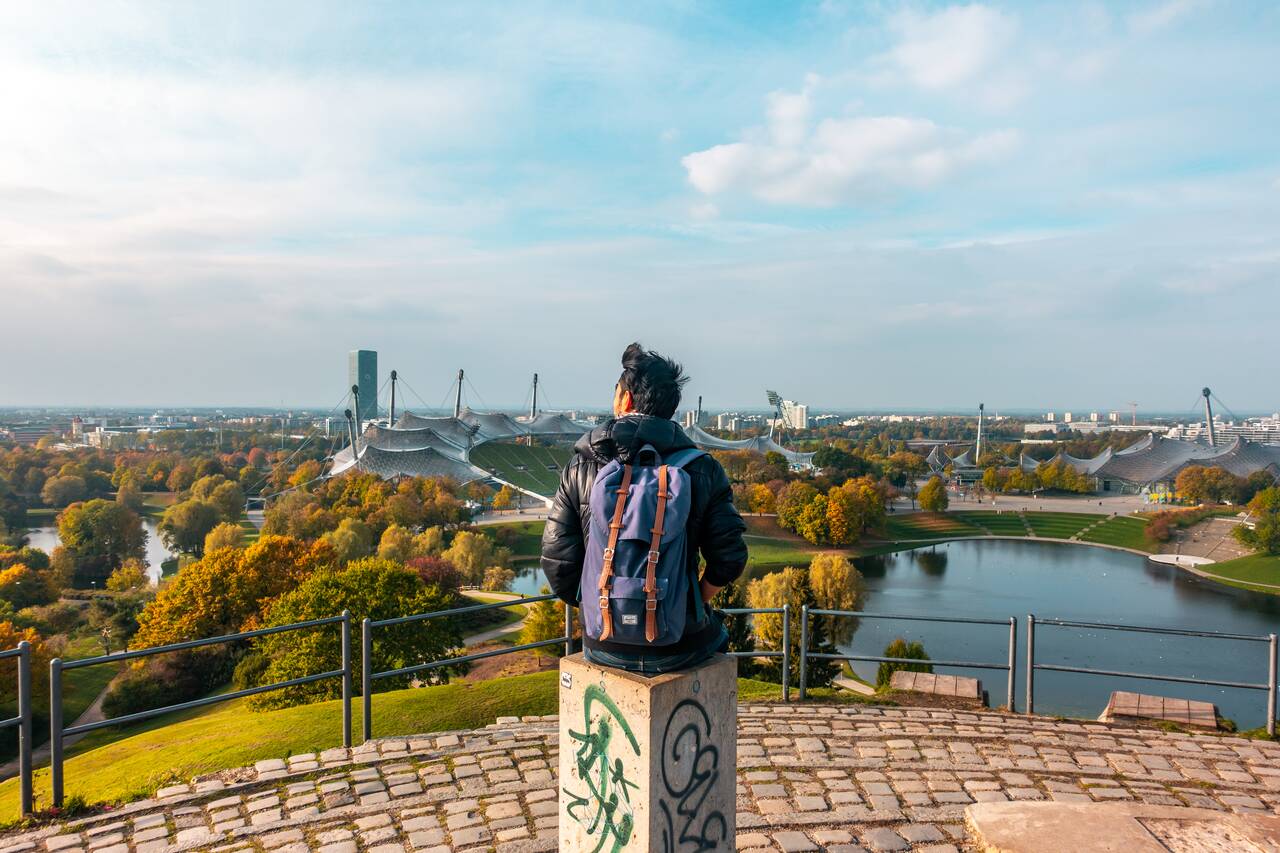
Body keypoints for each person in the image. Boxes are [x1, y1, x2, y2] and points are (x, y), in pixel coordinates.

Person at [541, 342, 748, 674]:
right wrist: (690, 603)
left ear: (625, 400)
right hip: (679, 642)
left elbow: (557, 562)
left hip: (602, 639)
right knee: (719, 636)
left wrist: (601, 603)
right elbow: (730, 558)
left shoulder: (582, 467)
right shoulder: (702, 469)